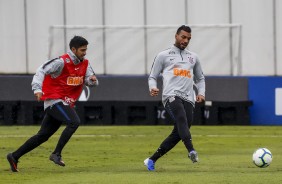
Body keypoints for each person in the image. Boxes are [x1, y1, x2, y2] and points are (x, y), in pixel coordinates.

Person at [7, 36, 99, 172]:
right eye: (82, 50)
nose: (85, 52)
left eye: (86, 50)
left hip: (64, 102)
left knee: (43, 136)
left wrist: (92, 80)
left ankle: (14, 156)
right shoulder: (61, 61)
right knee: (74, 122)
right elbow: (41, 70)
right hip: (54, 100)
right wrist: (37, 88)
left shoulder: (85, 63)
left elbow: (90, 82)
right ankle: (56, 154)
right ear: (73, 49)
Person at [144, 25, 205, 171]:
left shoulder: (193, 57)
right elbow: (152, 76)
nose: (185, 40)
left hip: (189, 98)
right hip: (171, 95)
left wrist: (201, 92)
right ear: (176, 36)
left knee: (179, 132)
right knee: (181, 119)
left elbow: (200, 78)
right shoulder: (163, 55)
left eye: (188, 38)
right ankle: (191, 151)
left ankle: (151, 160)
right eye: (183, 37)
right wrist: (152, 87)